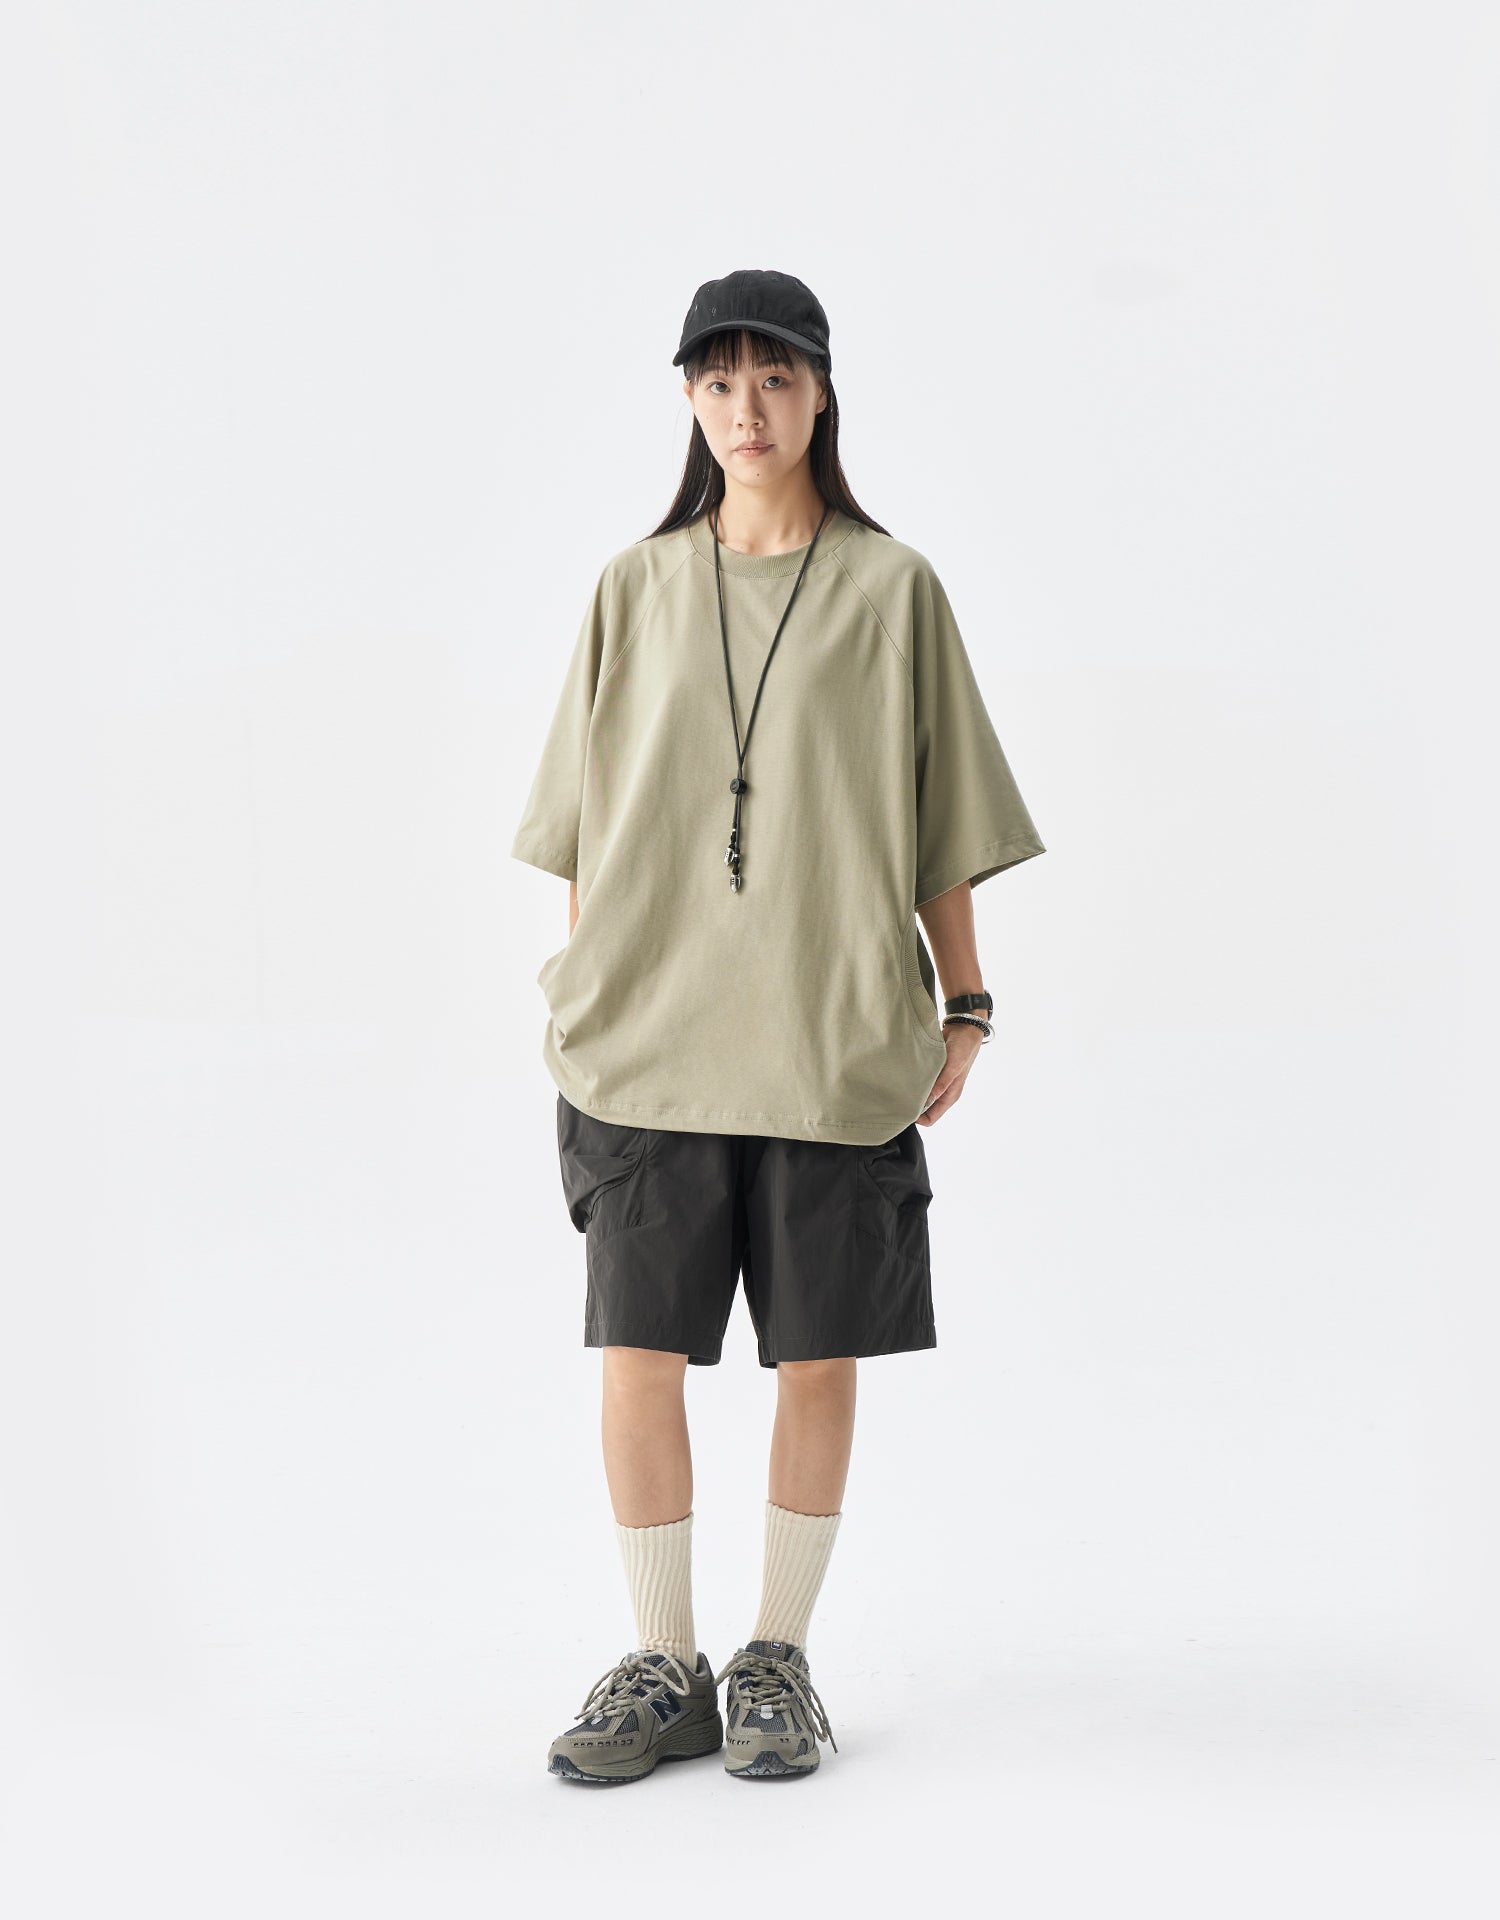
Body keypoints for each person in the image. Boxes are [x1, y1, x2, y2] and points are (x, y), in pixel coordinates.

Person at [510, 268, 1047, 1784]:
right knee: (638, 1350)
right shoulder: (632, 587)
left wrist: (967, 998)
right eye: (718, 382)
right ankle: (662, 1660)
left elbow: (938, 814)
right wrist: (590, 984)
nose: (747, 411)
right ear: (688, 401)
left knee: (819, 1354)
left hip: (830, 1040)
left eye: (776, 379)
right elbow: (586, 822)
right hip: (649, 1047)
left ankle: (775, 1657)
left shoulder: (892, 589)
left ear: (821, 394)